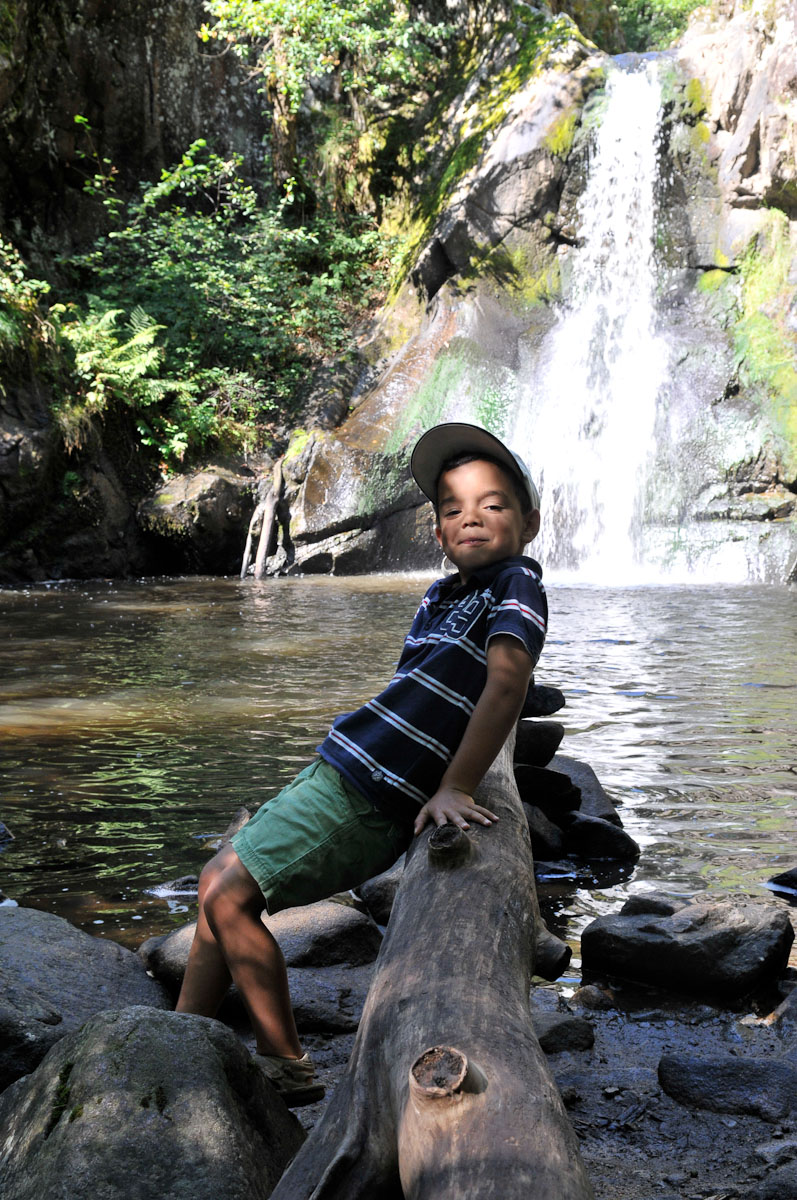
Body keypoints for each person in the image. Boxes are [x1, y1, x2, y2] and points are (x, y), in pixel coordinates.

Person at [175, 421, 548, 1105]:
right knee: (216, 886)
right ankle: (179, 1040)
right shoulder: (444, 593)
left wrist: (455, 785)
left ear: (529, 522)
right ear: (436, 530)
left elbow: (506, 684)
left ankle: (284, 1062)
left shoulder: (517, 584)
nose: (470, 518)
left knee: (227, 894)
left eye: (492, 505)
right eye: (452, 509)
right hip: (346, 766)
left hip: (371, 795)